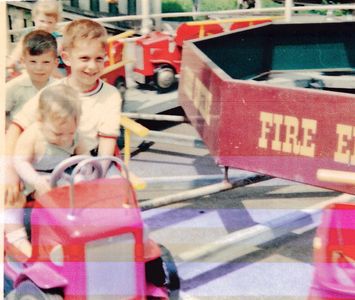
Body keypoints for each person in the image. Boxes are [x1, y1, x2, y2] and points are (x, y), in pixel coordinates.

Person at [5, 19, 124, 207]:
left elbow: (107, 141)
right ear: (67, 58)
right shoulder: (53, 91)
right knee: (16, 192)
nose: (92, 66)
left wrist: (96, 174)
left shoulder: (111, 95)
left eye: (98, 59)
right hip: (49, 160)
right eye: (84, 58)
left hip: (87, 161)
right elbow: (16, 128)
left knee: (117, 195)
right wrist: (9, 172)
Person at [5, 84, 87, 261]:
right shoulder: (34, 135)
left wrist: (83, 174)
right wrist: (35, 180)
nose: (65, 139)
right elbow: (19, 161)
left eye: (70, 133)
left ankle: (74, 238)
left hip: (59, 179)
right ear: (40, 120)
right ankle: (17, 239)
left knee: (79, 198)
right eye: (58, 134)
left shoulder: (76, 135)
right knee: (11, 200)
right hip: (29, 180)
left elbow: (84, 158)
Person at [6, 29, 58, 129]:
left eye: (46, 62)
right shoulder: (14, 86)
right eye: (33, 61)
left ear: (55, 63)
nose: (39, 68)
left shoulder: (58, 87)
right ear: (23, 61)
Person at [7, 0, 65, 78]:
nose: (45, 25)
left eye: (50, 22)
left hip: (53, 70)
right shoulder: (28, 36)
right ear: (34, 19)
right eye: (42, 21)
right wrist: (12, 63)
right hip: (33, 67)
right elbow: (17, 53)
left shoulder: (57, 39)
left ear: (56, 23)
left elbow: (51, 54)